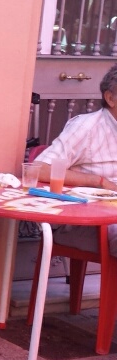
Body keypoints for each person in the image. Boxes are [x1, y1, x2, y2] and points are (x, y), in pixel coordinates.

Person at [31, 64, 117, 255]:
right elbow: (39, 169)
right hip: (87, 221)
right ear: (110, 98)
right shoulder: (87, 127)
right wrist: (98, 181)